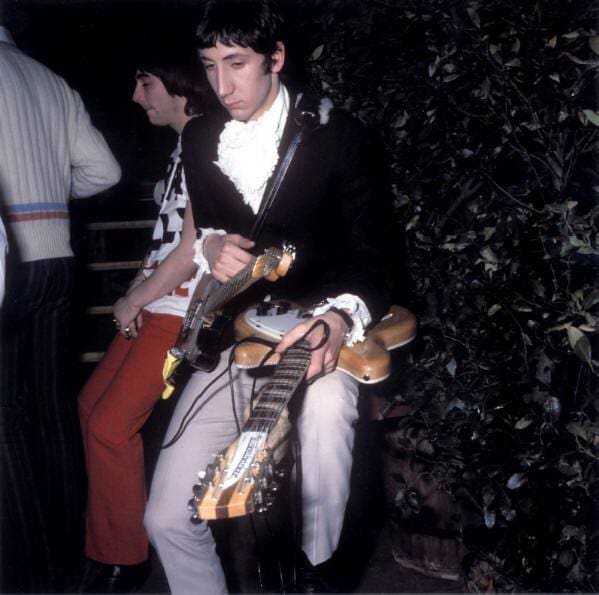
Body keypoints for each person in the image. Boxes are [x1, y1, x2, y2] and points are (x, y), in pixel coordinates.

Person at [112, 1, 392, 592]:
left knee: (324, 440)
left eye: (237, 63)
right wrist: (212, 247)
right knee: (165, 518)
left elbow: (377, 258)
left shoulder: (339, 136)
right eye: (210, 64)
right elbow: (209, 230)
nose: (222, 84)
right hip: (236, 336)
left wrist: (338, 320)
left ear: (276, 58)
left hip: (324, 333)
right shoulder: (200, 138)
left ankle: (318, 578)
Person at [77, 40, 205, 593]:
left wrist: (134, 298)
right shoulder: (185, 145)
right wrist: (137, 288)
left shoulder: (209, 142)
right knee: (91, 406)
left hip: (184, 309)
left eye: (145, 82)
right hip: (159, 299)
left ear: (179, 84)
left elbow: (192, 249)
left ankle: (124, 561)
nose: (136, 95)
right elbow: (167, 241)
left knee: (109, 426)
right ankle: (108, 543)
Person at [0, 20, 121, 593]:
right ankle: (74, 554)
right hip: (58, 261)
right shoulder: (49, 79)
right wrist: (49, 192)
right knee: (51, 410)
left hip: (7, 263)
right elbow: (105, 171)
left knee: (5, 420)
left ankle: (31, 574)